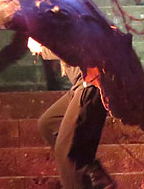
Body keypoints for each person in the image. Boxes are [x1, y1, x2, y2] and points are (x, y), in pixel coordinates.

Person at [36, 42, 117, 189]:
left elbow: (73, 48)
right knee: (49, 124)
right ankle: (91, 169)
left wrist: (41, 49)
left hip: (92, 84)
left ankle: (83, 175)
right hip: (80, 85)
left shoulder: (72, 27)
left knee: (66, 152)